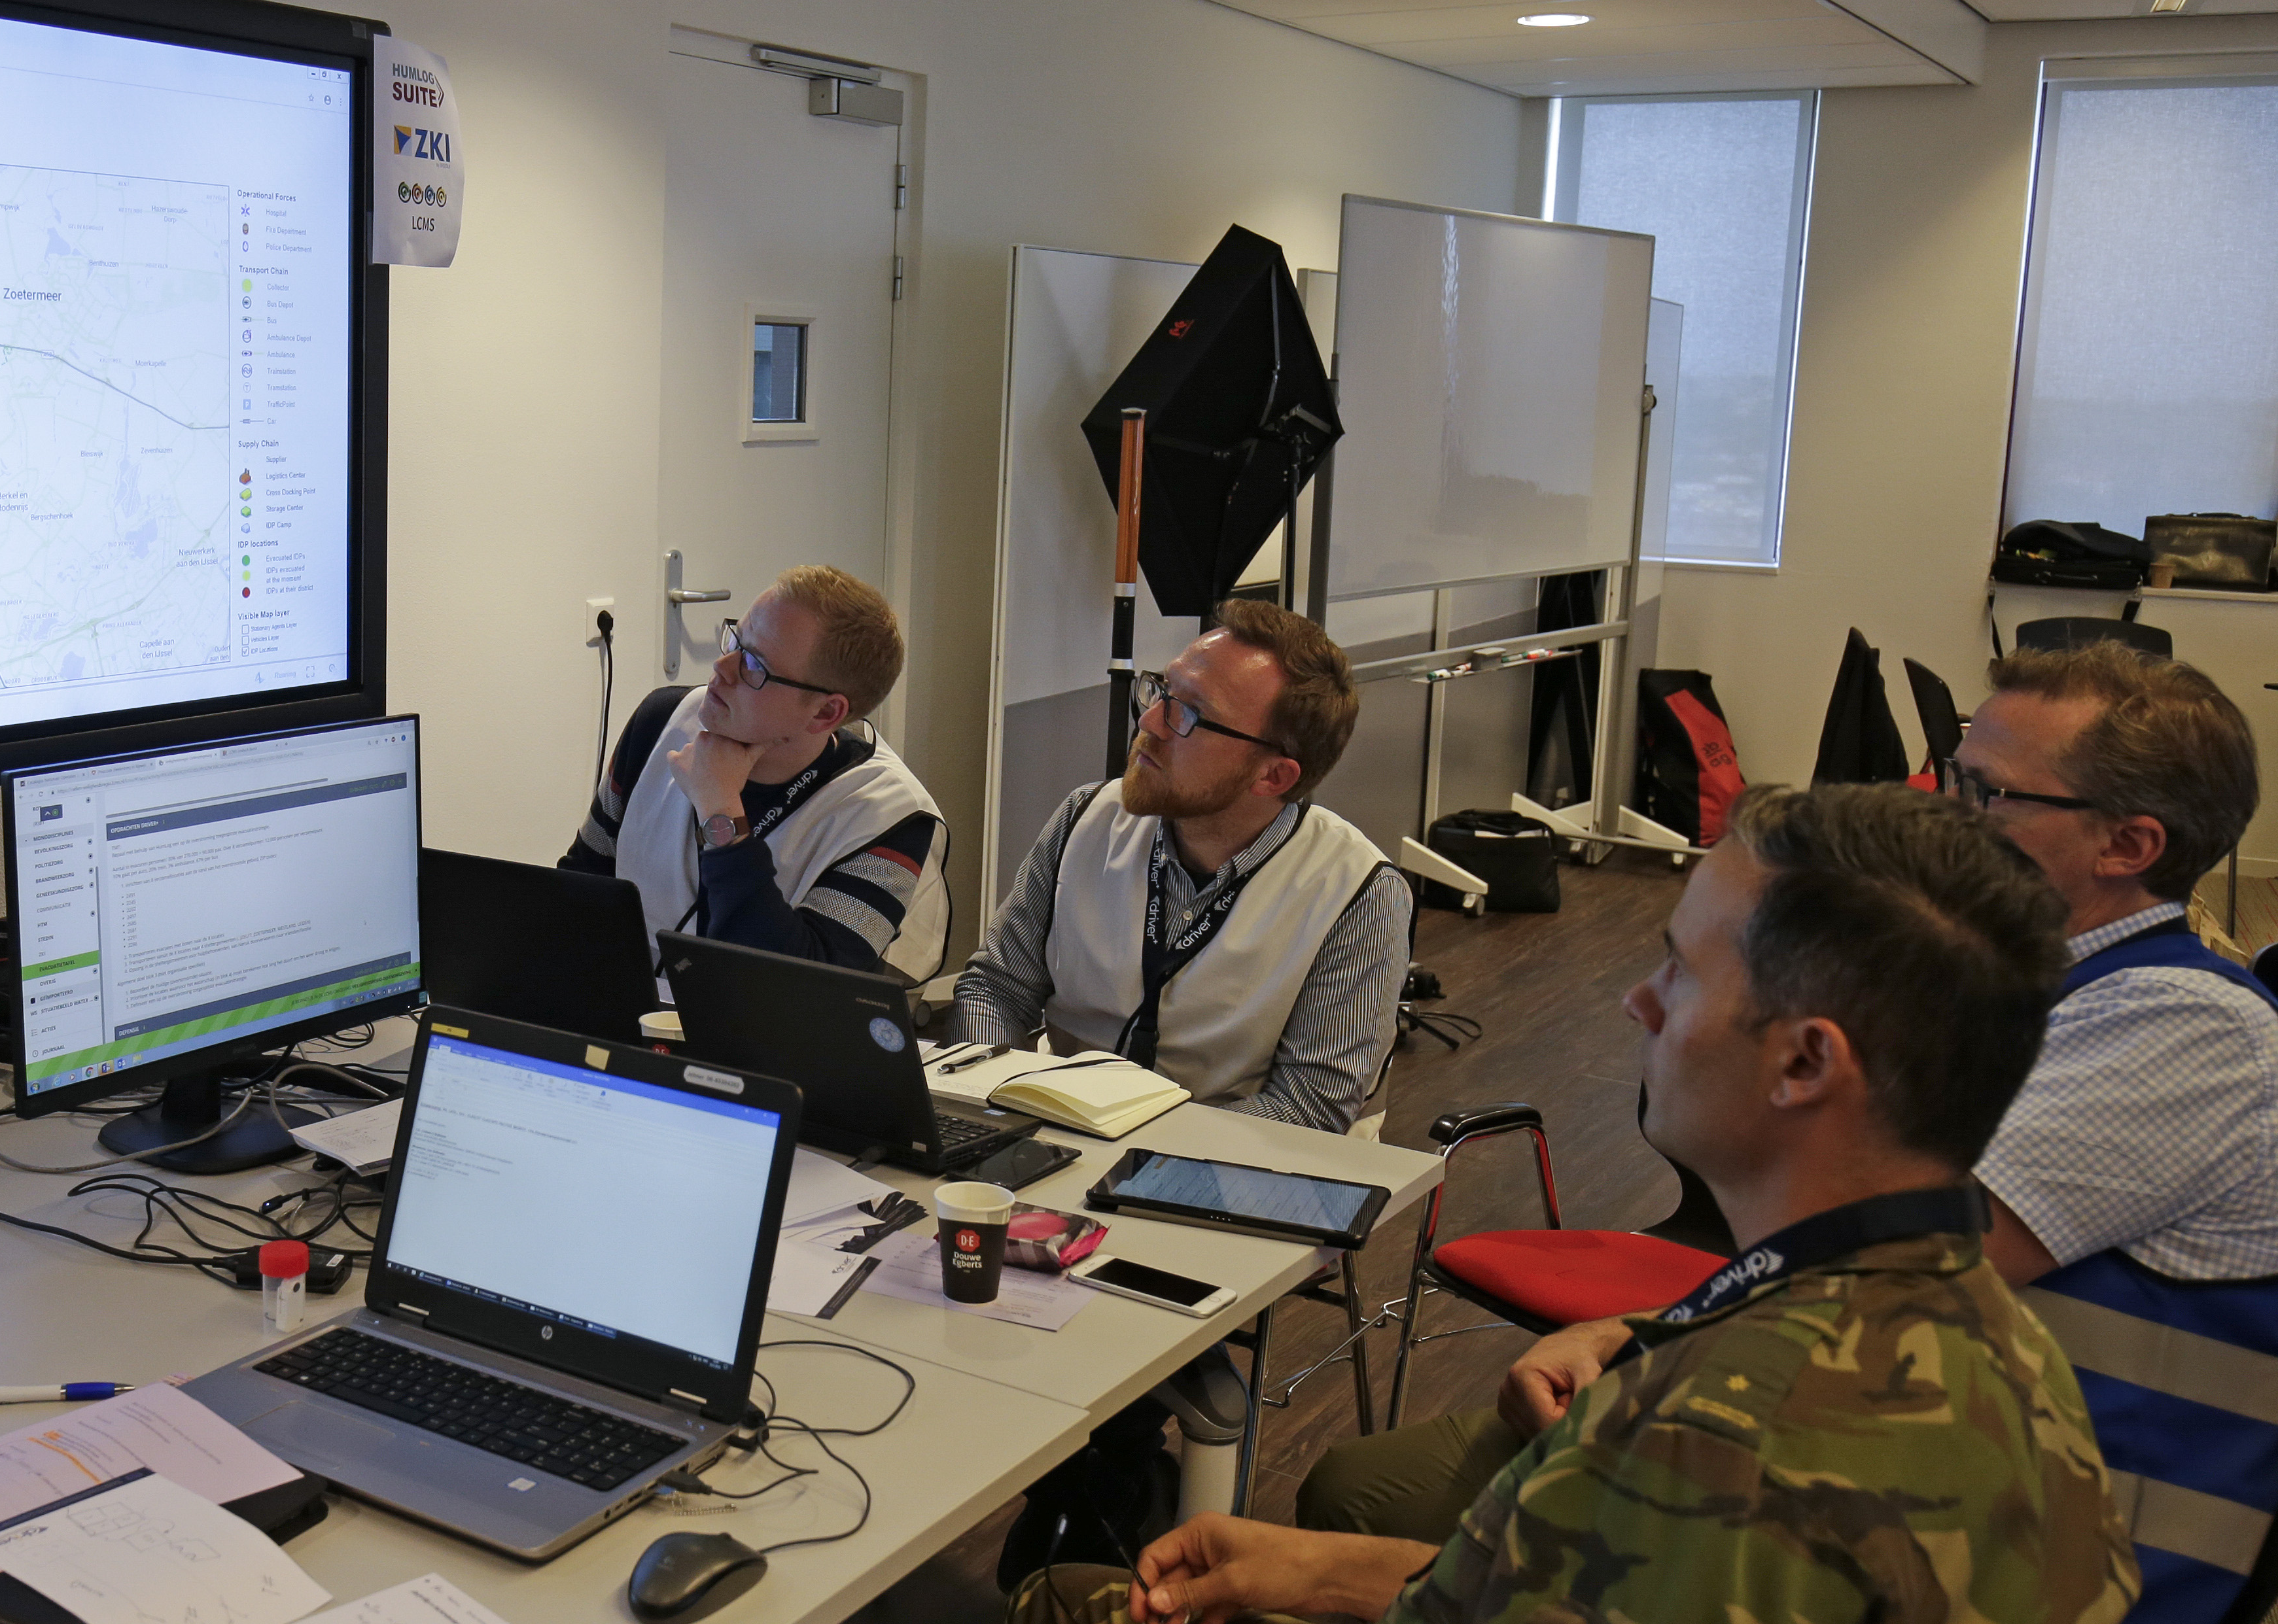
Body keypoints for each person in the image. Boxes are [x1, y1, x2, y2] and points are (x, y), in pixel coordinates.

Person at [1018, 782, 2138, 1624]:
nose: (1639, 1000)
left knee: (1068, 1601)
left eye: (1682, 972)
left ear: (1803, 1063)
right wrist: (1331, 1573)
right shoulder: (1985, 1334)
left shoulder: (1731, 1439)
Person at [1957, 644, 2278, 1623]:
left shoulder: (2184, 1027)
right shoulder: (2042, 989)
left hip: (2069, 1581)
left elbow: (1901, 1264)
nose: (1947, 820)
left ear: (2128, 846)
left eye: (1986, 795)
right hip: (1971, 1522)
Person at [951, 598, 1409, 1134]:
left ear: (1273, 777)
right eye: (1162, 691)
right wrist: (988, 1106)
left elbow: (1306, 1108)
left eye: (1189, 713)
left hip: (1230, 1160)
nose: (1149, 721)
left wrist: (1132, 1150)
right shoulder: (1085, 818)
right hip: (1057, 1127)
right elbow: (998, 988)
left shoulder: (1358, 893)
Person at [562, 564, 947, 980]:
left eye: (754, 664)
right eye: (736, 639)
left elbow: (798, 984)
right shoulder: (661, 721)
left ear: (825, 713)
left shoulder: (894, 817)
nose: (722, 667)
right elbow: (577, 892)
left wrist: (721, 811)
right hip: (630, 1006)